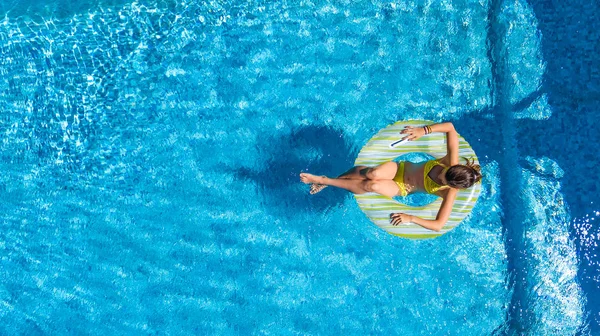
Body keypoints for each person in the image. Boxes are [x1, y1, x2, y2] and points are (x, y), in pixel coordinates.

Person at [299, 122, 481, 232]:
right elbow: (450, 128)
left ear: (452, 186)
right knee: (373, 174)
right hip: (399, 169)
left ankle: (325, 180)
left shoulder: (449, 193)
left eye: (443, 179)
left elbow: (438, 225)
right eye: (444, 172)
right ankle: (331, 179)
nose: (441, 174)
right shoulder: (451, 160)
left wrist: (411, 218)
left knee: (373, 186)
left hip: (401, 188)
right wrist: (423, 131)